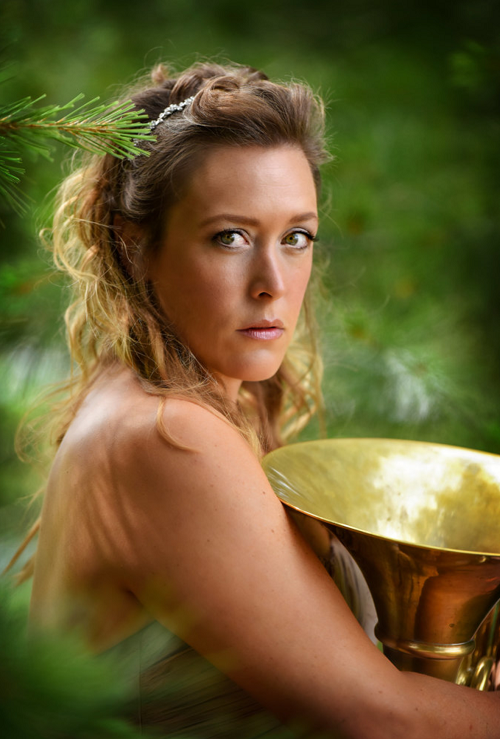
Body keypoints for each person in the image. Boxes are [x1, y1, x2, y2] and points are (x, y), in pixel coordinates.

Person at [11, 61, 500, 738]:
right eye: (230, 237)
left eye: (296, 237)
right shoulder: (164, 435)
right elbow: (380, 718)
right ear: (135, 246)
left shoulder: (164, 400)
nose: (273, 281)